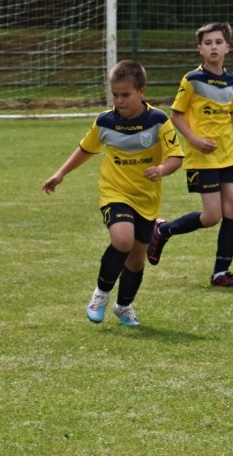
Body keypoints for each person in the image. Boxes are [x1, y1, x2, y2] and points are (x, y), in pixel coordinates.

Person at [43, 60, 184, 327]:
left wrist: (162, 169)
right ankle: (101, 293)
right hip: (115, 191)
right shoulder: (105, 121)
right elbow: (86, 148)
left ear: (141, 92)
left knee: (136, 257)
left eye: (125, 95)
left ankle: (124, 306)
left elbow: (176, 156)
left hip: (146, 198)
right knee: (122, 240)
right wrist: (60, 173)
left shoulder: (158, 120)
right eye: (115, 95)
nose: (119, 100)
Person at [146, 22, 233, 288]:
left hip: (228, 153)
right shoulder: (192, 80)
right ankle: (162, 230)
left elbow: (231, 112)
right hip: (202, 156)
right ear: (199, 49)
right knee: (212, 216)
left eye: (218, 42)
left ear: (227, 47)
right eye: (208, 43)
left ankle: (220, 274)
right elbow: (176, 115)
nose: (213, 47)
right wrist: (194, 139)